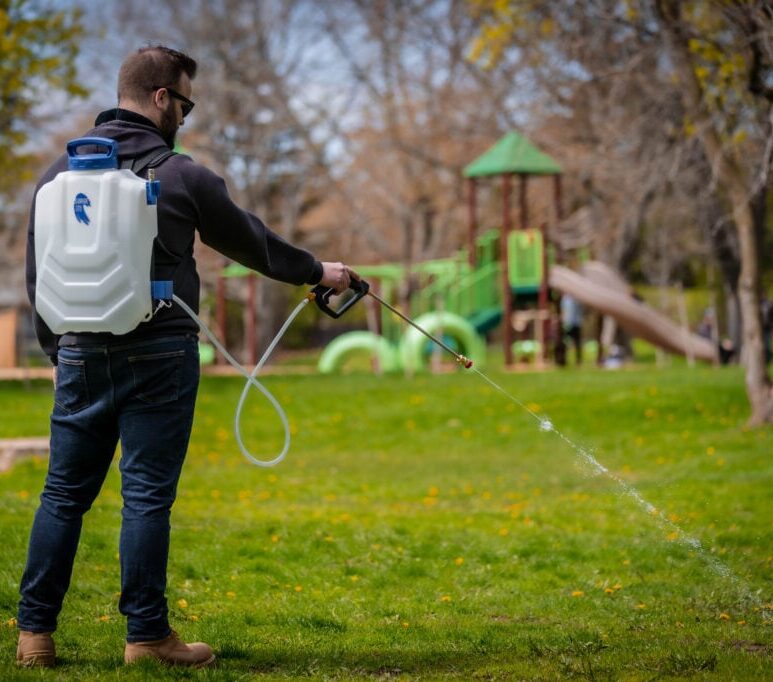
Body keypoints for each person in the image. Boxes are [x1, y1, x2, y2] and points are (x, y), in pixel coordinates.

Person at [17, 45, 356, 669]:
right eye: (185, 105)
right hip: (161, 354)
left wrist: (57, 352)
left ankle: (34, 634)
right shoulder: (181, 175)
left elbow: (38, 276)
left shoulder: (57, 178)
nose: (185, 117)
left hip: (80, 353)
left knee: (62, 495)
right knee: (146, 497)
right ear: (161, 98)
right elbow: (251, 242)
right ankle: (146, 638)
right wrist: (318, 270)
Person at [560, 294, 583, 365]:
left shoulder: (577, 297)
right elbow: (563, 310)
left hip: (576, 323)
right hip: (568, 324)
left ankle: (578, 360)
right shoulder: (565, 298)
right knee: (566, 341)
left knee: (577, 342)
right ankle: (563, 359)